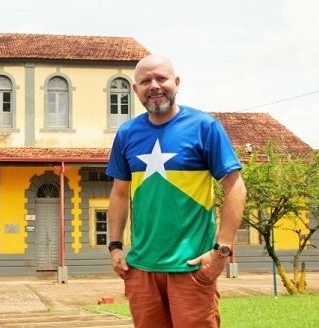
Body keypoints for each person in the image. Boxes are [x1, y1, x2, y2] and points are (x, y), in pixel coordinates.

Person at [106, 55, 247, 328]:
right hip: (141, 269)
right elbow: (120, 194)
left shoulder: (204, 127)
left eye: (162, 78)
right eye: (145, 81)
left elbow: (236, 188)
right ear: (135, 90)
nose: (154, 86)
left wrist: (222, 250)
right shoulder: (126, 133)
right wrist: (114, 246)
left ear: (177, 83)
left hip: (192, 267)